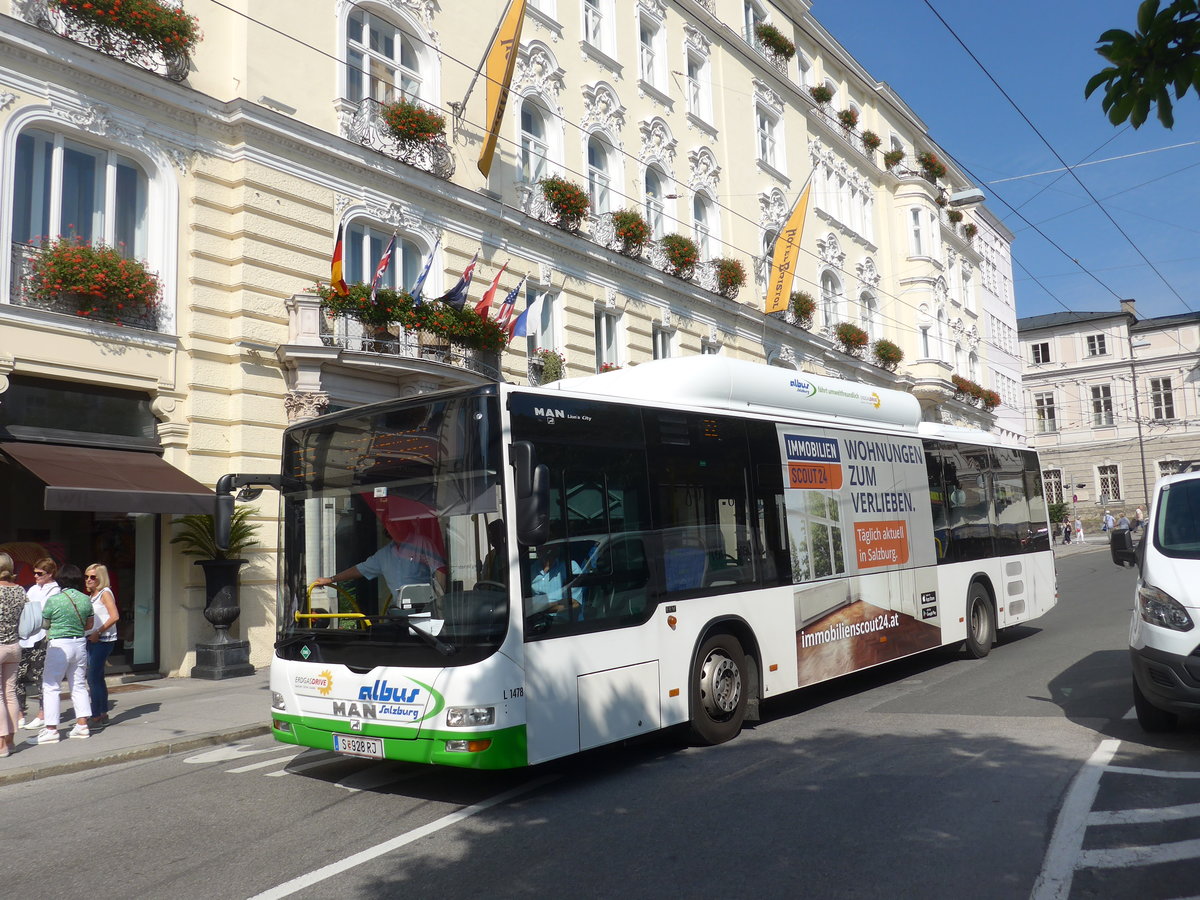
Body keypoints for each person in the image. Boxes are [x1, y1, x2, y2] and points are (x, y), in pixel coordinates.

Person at [35, 564, 93, 743]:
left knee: (51, 686)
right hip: (79, 643)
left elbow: (45, 623)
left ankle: (51, 729)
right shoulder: (85, 599)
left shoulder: (54, 599)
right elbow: (89, 624)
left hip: (59, 644)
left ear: (61, 580)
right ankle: (82, 725)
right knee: (79, 685)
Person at [17, 558, 56, 731]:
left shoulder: (55, 591)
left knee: (40, 676)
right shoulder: (33, 589)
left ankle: (43, 712)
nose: (36, 576)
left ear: (50, 574)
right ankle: (19, 712)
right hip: (26, 636)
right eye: (35, 572)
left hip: (41, 636)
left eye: (40, 573)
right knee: (18, 674)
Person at [84, 563, 119, 727]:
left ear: (101, 578)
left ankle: (96, 715)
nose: (88, 580)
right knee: (97, 677)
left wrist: (98, 631)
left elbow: (114, 616)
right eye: (86, 577)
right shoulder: (93, 595)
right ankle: (102, 713)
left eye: (93, 577)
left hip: (103, 640)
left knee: (92, 677)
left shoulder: (105, 593)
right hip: (93, 639)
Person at [0, 553, 26, 758]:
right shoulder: (19, 590)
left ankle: (1, 744)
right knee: (10, 693)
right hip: (14, 645)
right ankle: (11, 740)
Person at [477, 519, 507, 588]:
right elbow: (484, 579)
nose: (490, 538)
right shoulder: (489, 556)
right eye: (489, 535)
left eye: (493, 534)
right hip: (491, 595)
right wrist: (479, 571)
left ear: (501, 535)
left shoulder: (510, 554)